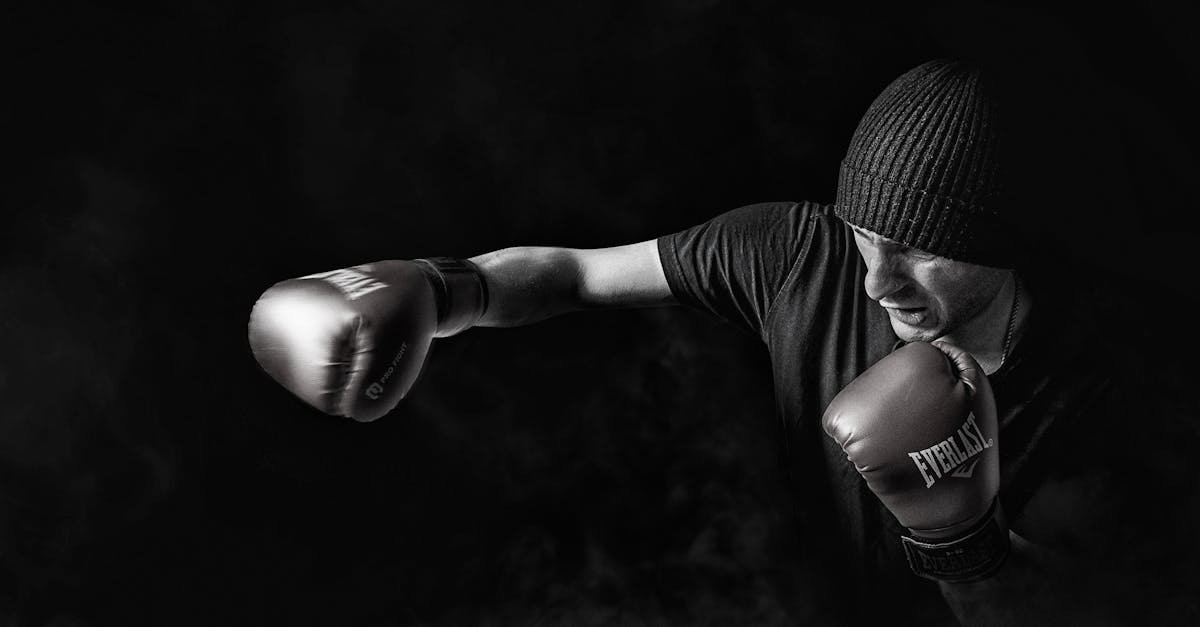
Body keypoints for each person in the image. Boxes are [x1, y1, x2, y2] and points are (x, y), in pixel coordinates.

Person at [248, 60, 1199, 625]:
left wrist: (961, 538)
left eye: (919, 255)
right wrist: (444, 287)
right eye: (866, 238)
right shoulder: (796, 252)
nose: (877, 282)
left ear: (1004, 241)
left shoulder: (1117, 385)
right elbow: (573, 274)